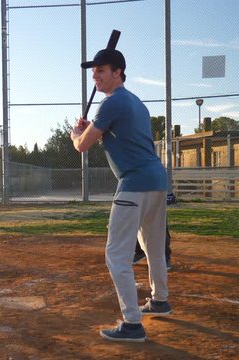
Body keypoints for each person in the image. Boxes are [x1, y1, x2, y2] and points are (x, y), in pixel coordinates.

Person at [71, 48, 172, 342]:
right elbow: (113, 134)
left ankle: (132, 324)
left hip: (134, 183)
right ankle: (160, 301)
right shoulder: (136, 103)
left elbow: (82, 146)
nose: (95, 76)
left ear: (118, 73)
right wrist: (90, 129)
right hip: (156, 180)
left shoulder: (112, 103)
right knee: (152, 247)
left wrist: (77, 133)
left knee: (116, 255)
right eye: (94, 72)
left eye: (101, 70)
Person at [133, 192, 176, 270]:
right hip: (138, 191)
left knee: (160, 226)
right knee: (136, 222)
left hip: (156, 191)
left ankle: (165, 257)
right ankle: (140, 251)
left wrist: (168, 194)